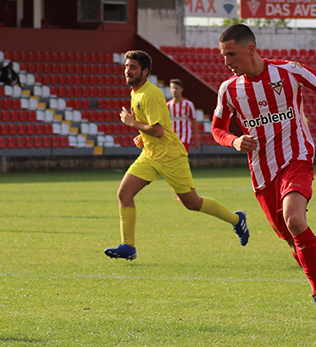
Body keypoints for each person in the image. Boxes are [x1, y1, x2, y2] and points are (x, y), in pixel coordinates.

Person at [211, 24, 316, 319]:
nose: (226, 61)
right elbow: (217, 128)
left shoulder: (290, 71)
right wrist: (234, 139)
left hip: (297, 158)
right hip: (262, 172)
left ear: (250, 49)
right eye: (223, 55)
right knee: (293, 241)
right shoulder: (229, 89)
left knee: (295, 220)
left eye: (231, 54)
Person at [104, 51, 249, 261]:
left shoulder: (149, 94)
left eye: (133, 67)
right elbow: (152, 128)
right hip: (150, 156)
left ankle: (237, 219)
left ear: (144, 72)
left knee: (192, 203)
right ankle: (128, 246)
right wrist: (142, 137)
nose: (128, 70)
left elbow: (159, 130)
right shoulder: (136, 92)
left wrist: (132, 123)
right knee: (124, 194)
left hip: (171, 156)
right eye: (127, 66)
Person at [167, 78, 200, 153]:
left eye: (176, 88)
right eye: (172, 88)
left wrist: (197, 139)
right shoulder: (167, 106)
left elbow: (194, 121)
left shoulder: (188, 104)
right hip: (171, 138)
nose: (174, 90)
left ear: (181, 89)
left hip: (184, 137)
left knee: (182, 158)